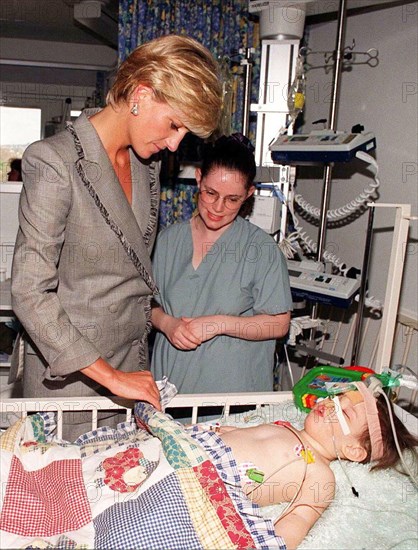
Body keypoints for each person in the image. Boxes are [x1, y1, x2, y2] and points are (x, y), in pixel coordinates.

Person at [10, 35, 222, 440]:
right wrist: (110, 377)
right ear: (141, 94)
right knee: (63, 497)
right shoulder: (55, 162)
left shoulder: (147, 165)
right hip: (70, 379)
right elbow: (29, 292)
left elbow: (132, 273)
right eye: (175, 124)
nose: (175, 143)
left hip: (132, 369)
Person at [151, 133, 293, 393]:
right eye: (210, 193)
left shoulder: (260, 250)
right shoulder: (168, 242)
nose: (217, 207)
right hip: (168, 391)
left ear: (249, 194)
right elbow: (146, 305)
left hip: (230, 399)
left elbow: (279, 323)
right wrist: (167, 324)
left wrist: (218, 323)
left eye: (232, 199)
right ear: (198, 180)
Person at [206, 383, 418, 549]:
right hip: (197, 448)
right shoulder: (284, 425)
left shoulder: (320, 474)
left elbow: (298, 518)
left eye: (344, 413)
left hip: (211, 482)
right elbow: (239, 433)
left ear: (353, 451)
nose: (328, 405)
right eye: (335, 398)